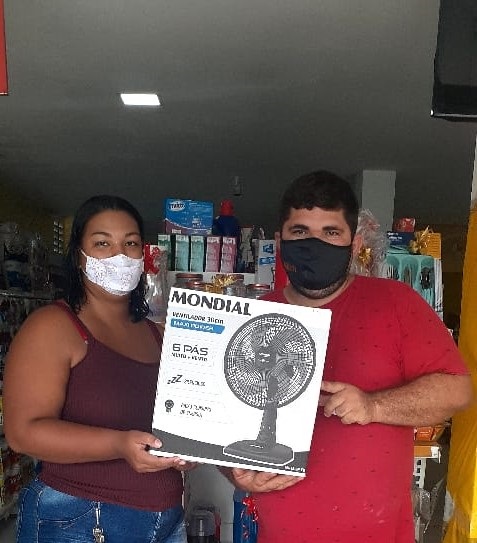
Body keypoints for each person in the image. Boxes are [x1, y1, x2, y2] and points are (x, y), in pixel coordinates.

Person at [221, 170, 473, 542]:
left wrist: (373, 406)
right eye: (300, 231)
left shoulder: (395, 303)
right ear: (280, 241)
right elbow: (220, 426)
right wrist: (236, 474)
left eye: (330, 233)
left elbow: (457, 391)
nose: (314, 244)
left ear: (354, 245)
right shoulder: (253, 319)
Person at [3, 195, 194, 543]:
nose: (120, 255)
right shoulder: (52, 327)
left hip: (166, 520)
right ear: (79, 255)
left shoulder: (157, 334)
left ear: (143, 255)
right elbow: (22, 433)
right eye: (103, 243)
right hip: (81, 519)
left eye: (130, 243)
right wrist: (119, 445)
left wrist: (188, 449)